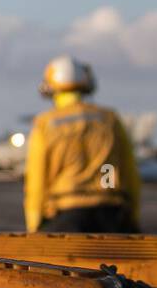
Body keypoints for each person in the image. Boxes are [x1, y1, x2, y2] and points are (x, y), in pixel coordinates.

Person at [24, 55, 141, 234]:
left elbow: (37, 180)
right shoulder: (110, 119)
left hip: (66, 214)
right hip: (111, 214)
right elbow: (130, 174)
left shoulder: (46, 123)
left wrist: (35, 224)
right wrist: (132, 219)